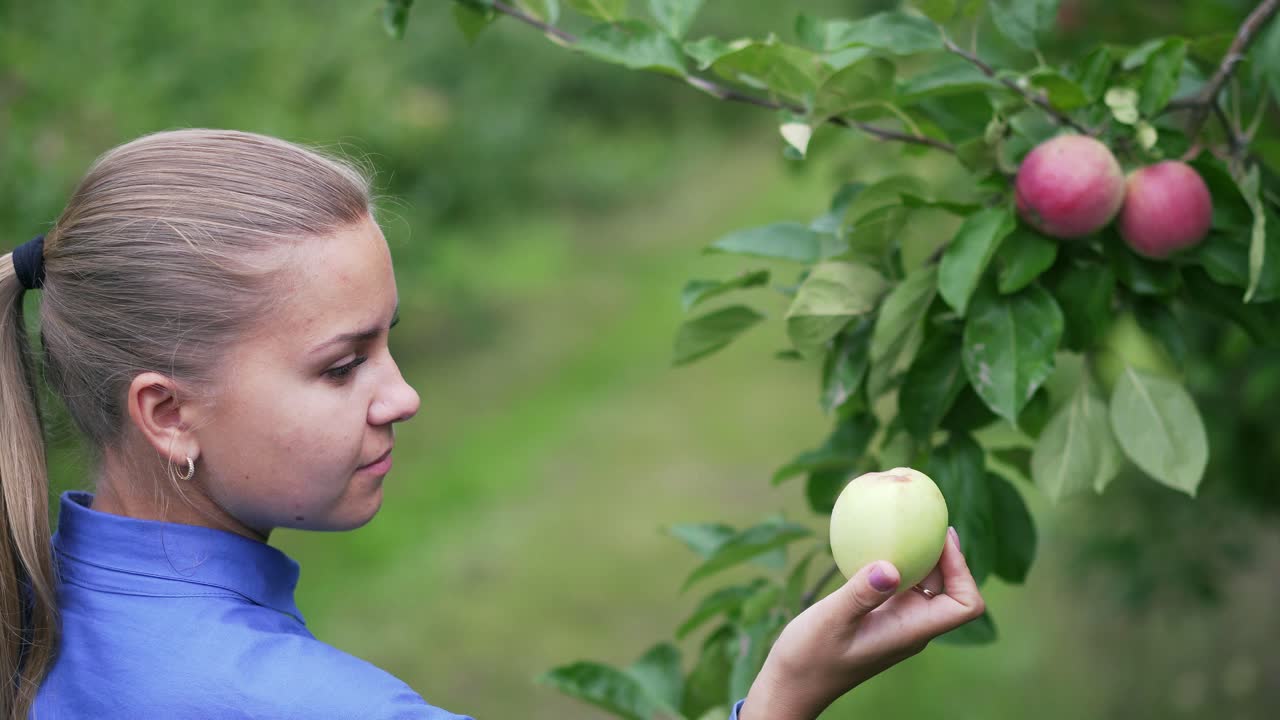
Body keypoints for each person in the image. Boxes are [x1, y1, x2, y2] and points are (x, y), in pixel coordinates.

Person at [1, 129, 985, 720]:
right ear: (168, 415)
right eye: (343, 365)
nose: (403, 395)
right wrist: (782, 697)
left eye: (390, 343)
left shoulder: (27, 605)